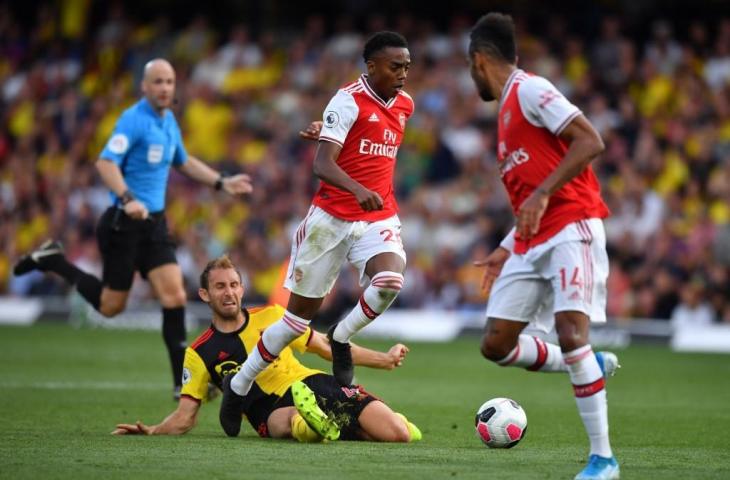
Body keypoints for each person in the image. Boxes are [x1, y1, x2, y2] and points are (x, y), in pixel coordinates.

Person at [13, 59, 253, 400]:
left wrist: (222, 182)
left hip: (154, 225)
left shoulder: (168, 121)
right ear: (144, 86)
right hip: (123, 224)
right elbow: (105, 162)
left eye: (169, 81)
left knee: (174, 295)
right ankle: (54, 261)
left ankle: (180, 383)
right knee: (112, 307)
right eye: (157, 82)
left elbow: (182, 162)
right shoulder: (133, 120)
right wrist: (127, 198)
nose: (164, 88)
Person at [219, 31, 414, 437]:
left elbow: (365, 143)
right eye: (395, 66)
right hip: (330, 220)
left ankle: (340, 338)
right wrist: (357, 185)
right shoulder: (346, 100)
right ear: (372, 66)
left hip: (378, 217)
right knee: (293, 322)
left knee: (391, 281)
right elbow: (323, 164)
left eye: (407, 66)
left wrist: (335, 133)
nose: (403, 74)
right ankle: (237, 386)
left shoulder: (405, 105)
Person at [467, 13, 620, 480]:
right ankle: (587, 365)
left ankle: (603, 460)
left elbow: (590, 141)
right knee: (495, 344)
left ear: (478, 61)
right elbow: (531, 198)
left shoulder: (530, 90)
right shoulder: (506, 116)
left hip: (573, 226)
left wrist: (543, 192)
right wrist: (506, 245)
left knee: (571, 332)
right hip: (531, 241)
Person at [111, 255, 421, 443]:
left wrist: (384, 359)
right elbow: (185, 416)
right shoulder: (199, 352)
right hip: (268, 409)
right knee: (291, 424)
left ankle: (334, 420)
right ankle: (315, 420)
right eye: (220, 287)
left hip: (314, 382)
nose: (229, 292)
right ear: (205, 294)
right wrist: (153, 431)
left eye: (234, 285)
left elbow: (327, 347)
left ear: (242, 289)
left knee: (399, 435)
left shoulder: (272, 316)